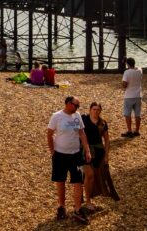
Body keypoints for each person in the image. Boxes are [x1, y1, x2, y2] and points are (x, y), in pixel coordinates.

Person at [47, 96, 93, 224]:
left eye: (78, 106)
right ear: (68, 103)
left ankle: (78, 209)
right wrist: (52, 150)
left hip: (75, 154)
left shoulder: (77, 116)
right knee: (60, 180)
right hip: (60, 154)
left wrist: (87, 150)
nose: (77, 108)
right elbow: (49, 133)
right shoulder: (56, 116)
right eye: (75, 105)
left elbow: (82, 133)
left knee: (78, 181)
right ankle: (61, 207)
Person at [81, 102, 115, 211]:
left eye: (98, 109)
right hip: (85, 151)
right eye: (94, 109)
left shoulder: (102, 123)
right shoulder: (83, 119)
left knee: (98, 176)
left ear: (100, 111)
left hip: (99, 152)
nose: (96, 111)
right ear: (90, 109)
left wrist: (106, 155)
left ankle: (90, 197)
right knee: (89, 175)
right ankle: (87, 201)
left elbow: (107, 139)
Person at [121, 57, 143, 137]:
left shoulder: (127, 72)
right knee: (137, 114)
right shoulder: (140, 70)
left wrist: (123, 84)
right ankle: (137, 130)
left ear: (127, 64)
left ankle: (129, 130)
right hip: (138, 95)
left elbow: (124, 84)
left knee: (127, 114)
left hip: (129, 95)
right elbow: (138, 68)